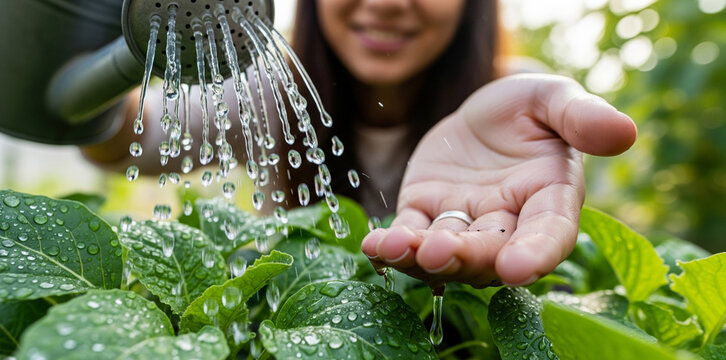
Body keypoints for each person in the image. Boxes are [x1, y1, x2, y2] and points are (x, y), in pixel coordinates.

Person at [84, 0, 637, 289]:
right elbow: (132, 138)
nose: (387, 3)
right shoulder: (270, 89)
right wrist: (85, 76)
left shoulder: (511, 105)